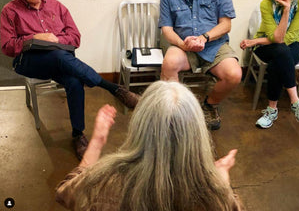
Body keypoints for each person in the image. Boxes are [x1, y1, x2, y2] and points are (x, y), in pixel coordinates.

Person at [0, 0, 139, 160]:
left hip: (60, 59)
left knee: (74, 81)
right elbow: (7, 46)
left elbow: (75, 37)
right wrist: (34, 39)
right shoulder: (10, 11)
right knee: (59, 57)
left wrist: (57, 40)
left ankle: (77, 134)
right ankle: (112, 88)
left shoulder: (57, 6)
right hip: (28, 62)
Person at [55, 81, 241, 211]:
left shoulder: (104, 183)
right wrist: (221, 180)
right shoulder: (214, 195)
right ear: (198, 131)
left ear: (139, 126)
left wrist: (96, 143)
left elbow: (66, 193)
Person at [158, 0, 242, 130]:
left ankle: (210, 104)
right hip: (183, 46)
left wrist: (204, 38)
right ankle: (176, 112)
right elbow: (167, 29)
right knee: (169, 63)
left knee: (234, 75)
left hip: (214, 44)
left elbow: (226, 25)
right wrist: (183, 44)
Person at [240, 0, 299, 128]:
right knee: (280, 52)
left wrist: (255, 41)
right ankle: (296, 103)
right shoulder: (266, 4)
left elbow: (290, 35)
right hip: (267, 46)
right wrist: (286, 11)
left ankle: (271, 109)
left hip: (293, 42)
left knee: (278, 60)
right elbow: (277, 38)